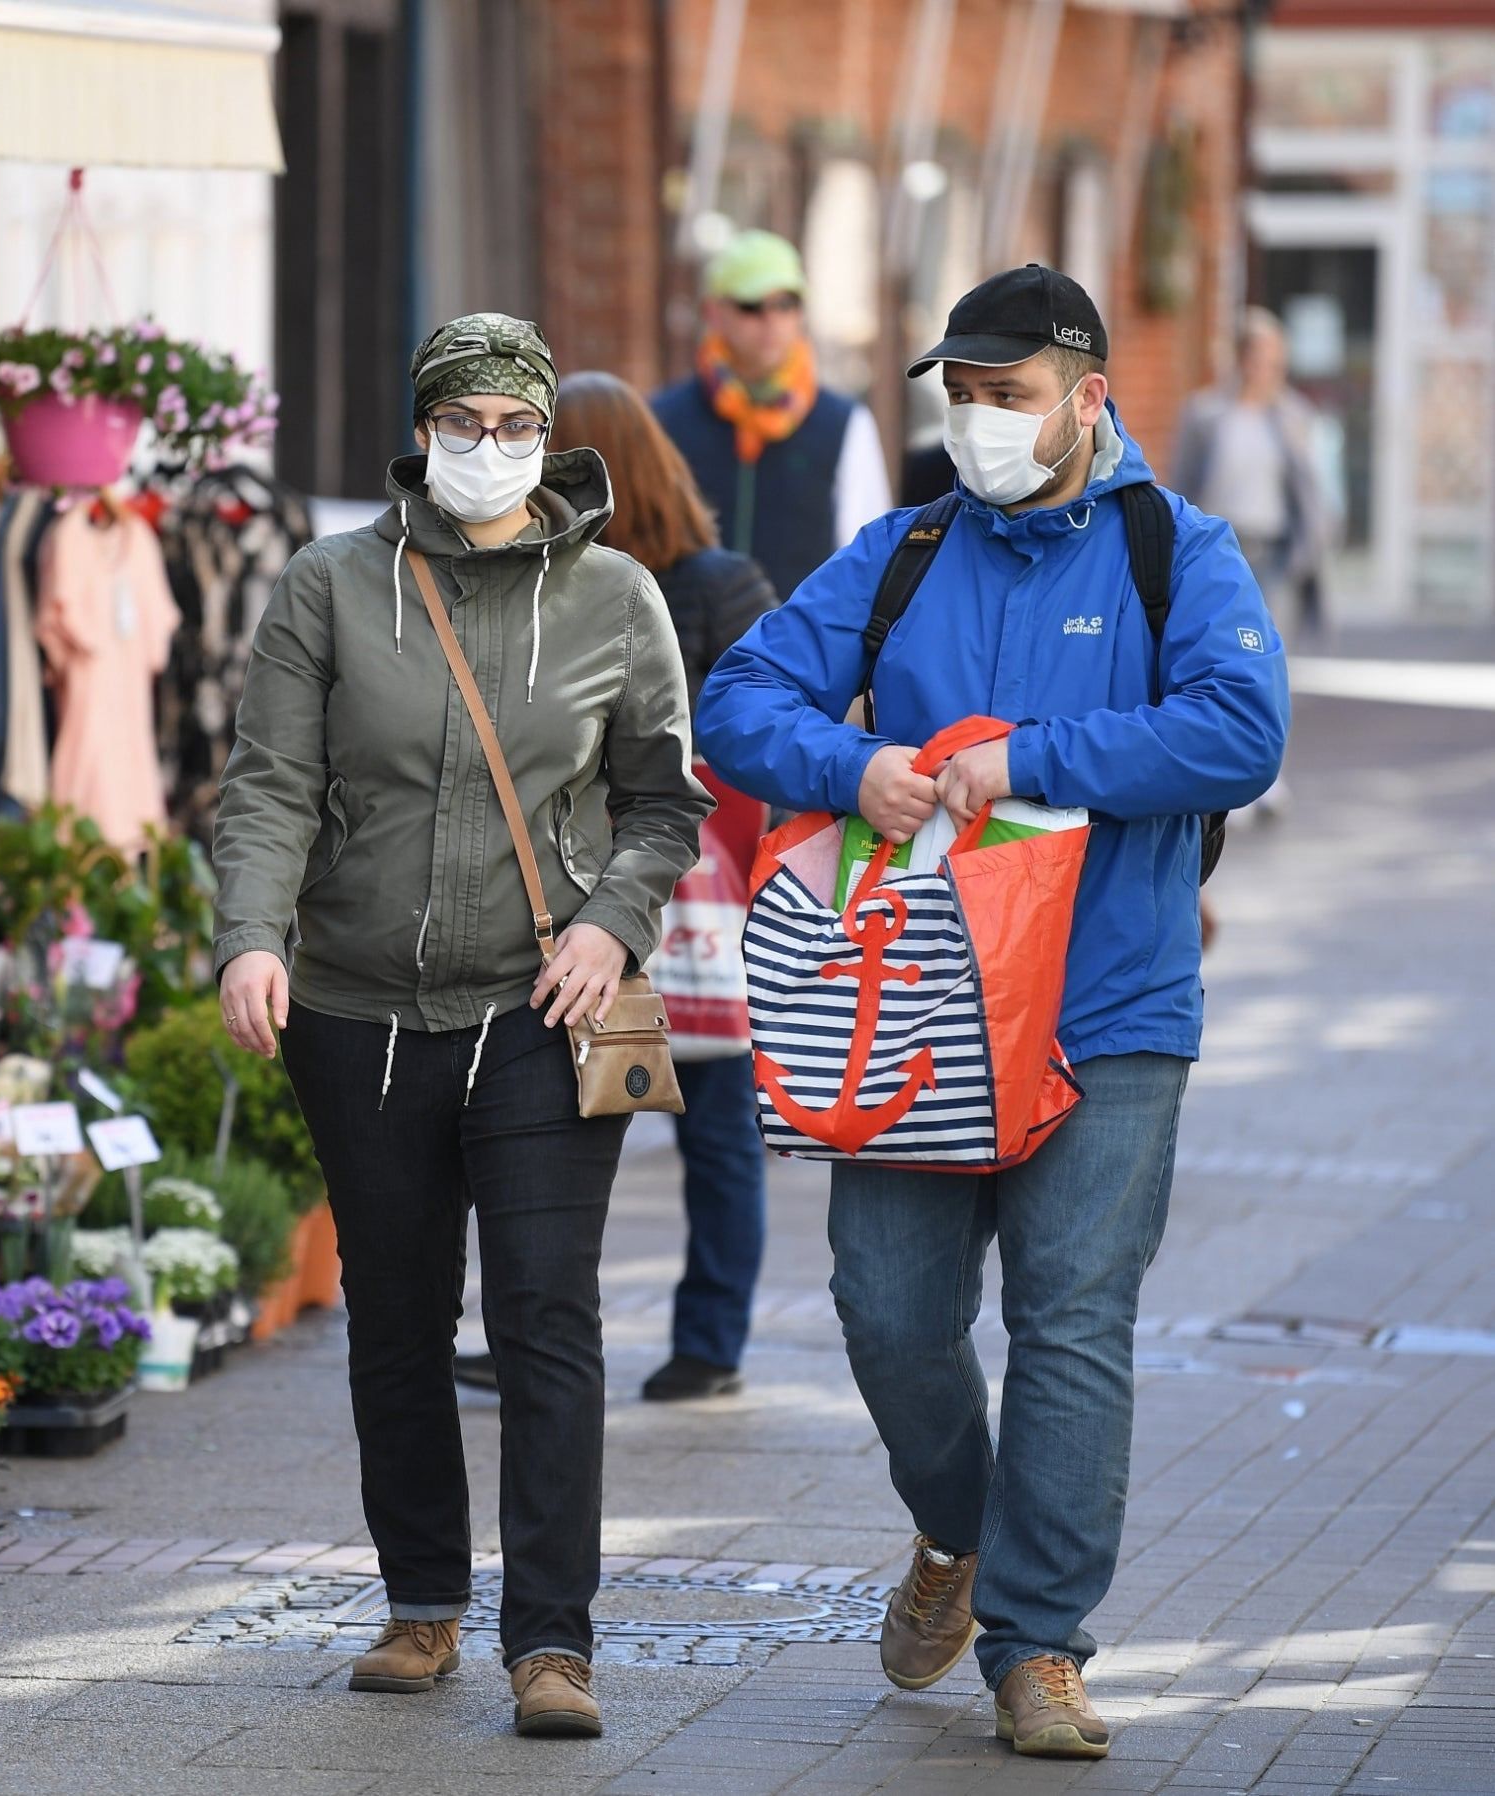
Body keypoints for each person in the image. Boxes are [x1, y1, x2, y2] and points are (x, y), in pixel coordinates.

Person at [696, 265, 1289, 1760]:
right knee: (886, 1313)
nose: (978, 427)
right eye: (958, 400)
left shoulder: (1176, 550)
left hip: (1110, 1006)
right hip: (913, 1003)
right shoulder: (902, 553)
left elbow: (1241, 727)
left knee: (1072, 1324)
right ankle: (955, 1532)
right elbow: (738, 698)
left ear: (1089, 397)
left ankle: (1040, 1649)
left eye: (1008, 398)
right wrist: (853, 771)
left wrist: (1037, 754)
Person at [213, 314, 711, 1741]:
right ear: (421, 431)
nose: (486, 447)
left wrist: (615, 918)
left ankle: (552, 1643)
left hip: (547, 1011)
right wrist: (254, 937)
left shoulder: (619, 599)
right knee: (396, 1319)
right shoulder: (327, 587)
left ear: (548, 439)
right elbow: (268, 787)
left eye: (512, 424)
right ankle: (421, 1605)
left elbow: (667, 802)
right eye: (462, 421)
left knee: (547, 1317)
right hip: (360, 1012)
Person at [448, 371, 776, 1405]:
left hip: (581, 893)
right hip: (685, 891)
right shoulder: (721, 582)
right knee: (711, 1125)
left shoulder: (572, 585)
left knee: (546, 1128)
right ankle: (707, 1340)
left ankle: (534, 1338)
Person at [652, 229, 892, 600]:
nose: (771, 320)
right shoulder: (664, 420)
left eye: (786, 304)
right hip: (690, 650)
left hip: (802, 650)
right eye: (751, 306)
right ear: (713, 312)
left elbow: (869, 559)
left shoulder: (845, 423)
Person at [1173, 307, 1336, 643]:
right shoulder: (1205, 414)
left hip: (1273, 553)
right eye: (1258, 358)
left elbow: (1312, 489)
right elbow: (1182, 483)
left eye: (1273, 361)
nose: (1265, 370)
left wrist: (1308, 551)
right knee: (1216, 642)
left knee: (1267, 647)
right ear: (1241, 359)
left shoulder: (1295, 416)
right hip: (1217, 547)